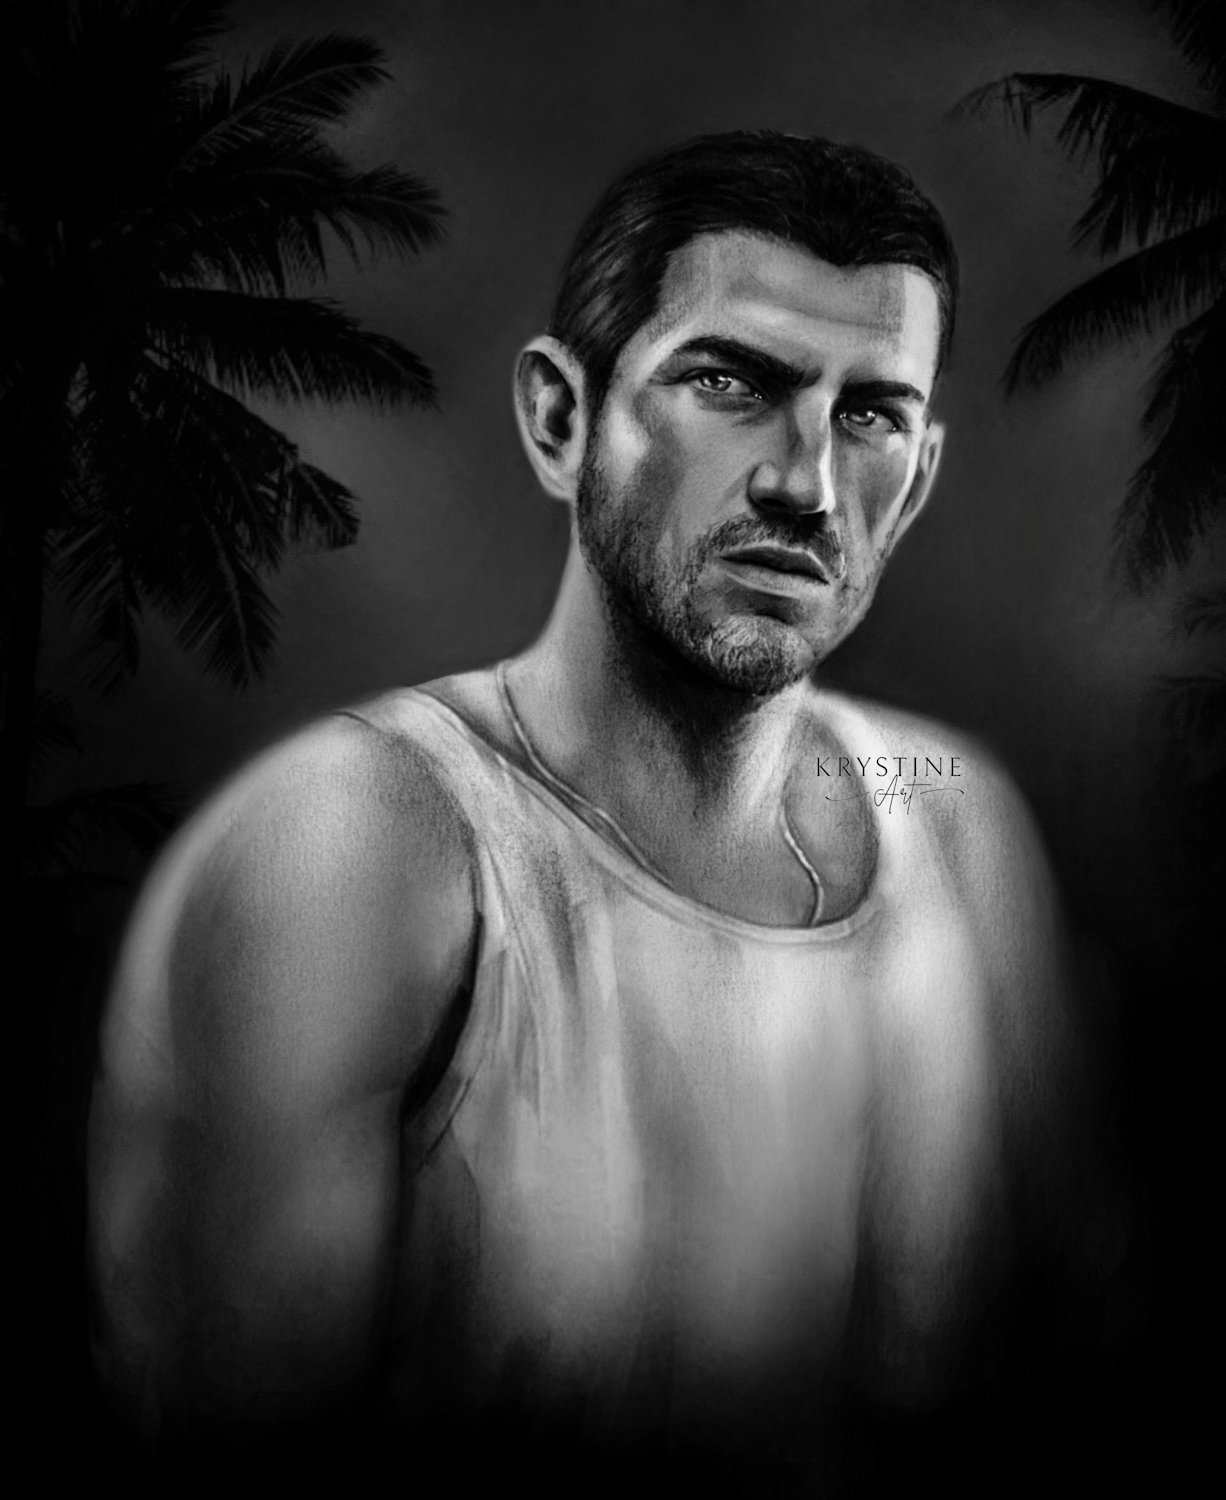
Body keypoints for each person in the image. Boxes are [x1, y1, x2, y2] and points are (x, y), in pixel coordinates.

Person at [89, 131, 1095, 1493]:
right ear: (561, 419)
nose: (803, 483)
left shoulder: (953, 821)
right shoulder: (362, 841)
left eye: (869, 414)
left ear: (913, 479)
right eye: (729, 382)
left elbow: (1058, 1370)